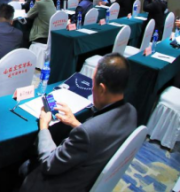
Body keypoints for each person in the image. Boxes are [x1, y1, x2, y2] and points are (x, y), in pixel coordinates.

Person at [20, 53, 136, 191]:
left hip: (63, 185)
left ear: (101, 89)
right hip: (90, 173)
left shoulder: (88, 132)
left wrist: (44, 126)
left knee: (23, 165)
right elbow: (101, 137)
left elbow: (48, 164)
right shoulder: (132, 112)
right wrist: (75, 123)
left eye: (93, 82)